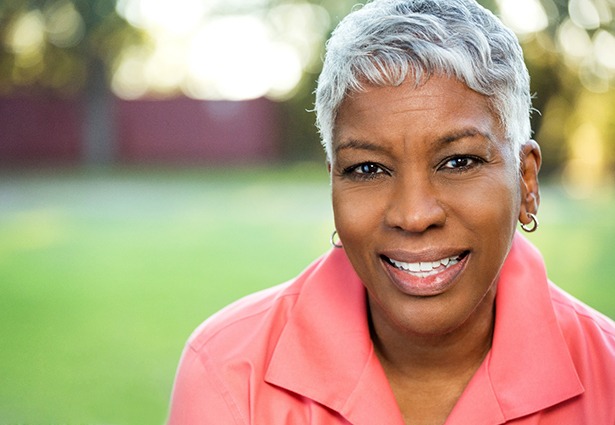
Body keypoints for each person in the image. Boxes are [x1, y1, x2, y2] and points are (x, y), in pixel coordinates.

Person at [167, 0, 615, 423]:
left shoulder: (607, 377)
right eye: (367, 168)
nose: (414, 214)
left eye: (458, 162)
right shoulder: (229, 370)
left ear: (526, 182)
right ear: (333, 184)